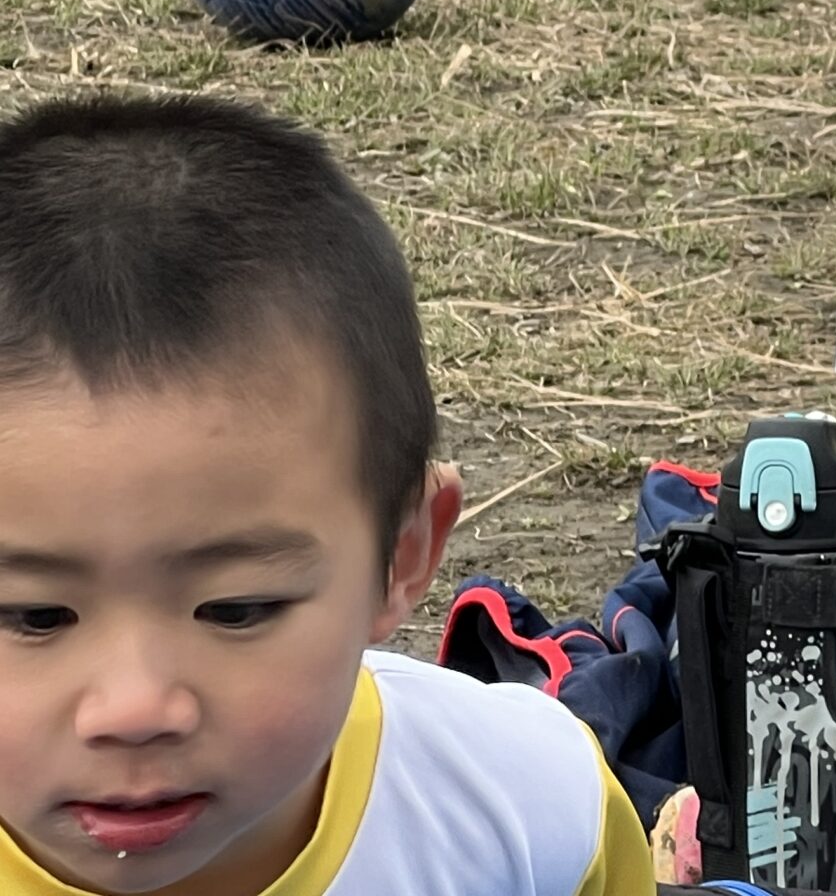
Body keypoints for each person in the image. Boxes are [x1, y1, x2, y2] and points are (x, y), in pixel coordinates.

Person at [0, 93, 655, 896]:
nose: (134, 709)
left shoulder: (532, 814)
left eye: (236, 609)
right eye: (32, 616)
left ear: (401, 555)